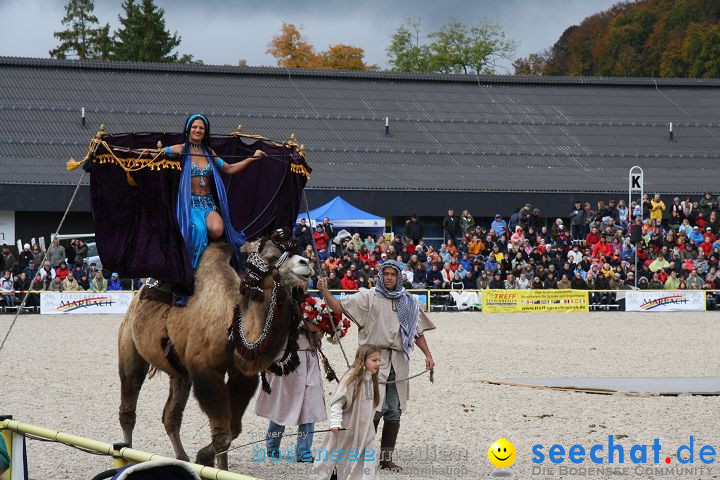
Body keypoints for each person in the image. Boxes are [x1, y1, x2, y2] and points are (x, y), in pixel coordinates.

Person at [317, 260, 435, 472]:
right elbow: (340, 308)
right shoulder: (367, 297)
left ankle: (386, 459)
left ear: (399, 277)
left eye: (393, 274)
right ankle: (363, 453)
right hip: (372, 359)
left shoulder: (407, 301)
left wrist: (428, 355)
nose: (389, 277)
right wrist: (325, 292)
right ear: (381, 276)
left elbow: (417, 333)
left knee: (394, 410)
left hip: (399, 361)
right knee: (370, 409)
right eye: (386, 274)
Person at [163, 114, 265, 270]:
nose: (198, 130)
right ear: (188, 130)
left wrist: (252, 158)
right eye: (195, 127)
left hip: (208, 204)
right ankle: (191, 270)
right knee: (199, 230)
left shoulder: (209, 152)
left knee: (217, 230)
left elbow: (229, 169)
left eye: (201, 128)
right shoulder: (180, 149)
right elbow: (154, 153)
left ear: (205, 131)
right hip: (189, 204)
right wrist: (129, 152)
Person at [255, 316, 327, 462]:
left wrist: (321, 327)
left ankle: (304, 451)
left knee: (309, 407)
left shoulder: (311, 305)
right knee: (282, 405)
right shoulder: (282, 302)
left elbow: (319, 334)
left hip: (309, 359)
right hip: (288, 359)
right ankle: (272, 447)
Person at [310, 344, 380, 480]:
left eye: (379, 360)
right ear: (363, 360)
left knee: (365, 464)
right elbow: (337, 403)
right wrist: (335, 423)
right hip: (346, 430)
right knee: (335, 460)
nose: (378, 363)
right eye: (374, 360)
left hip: (365, 433)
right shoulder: (351, 379)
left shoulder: (371, 379)